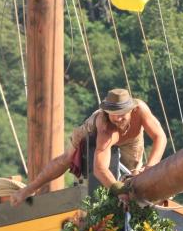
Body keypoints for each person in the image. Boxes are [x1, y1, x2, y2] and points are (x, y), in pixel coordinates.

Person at [10, 88, 167, 206]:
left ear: (132, 110)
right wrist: (118, 191)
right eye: (114, 113)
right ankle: (29, 189)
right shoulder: (105, 127)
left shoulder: (140, 110)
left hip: (131, 138)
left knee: (134, 171)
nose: (118, 118)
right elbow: (100, 168)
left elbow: (160, 137)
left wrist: (150, 166)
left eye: (122, 114)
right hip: (91, 130)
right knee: (67, 158)